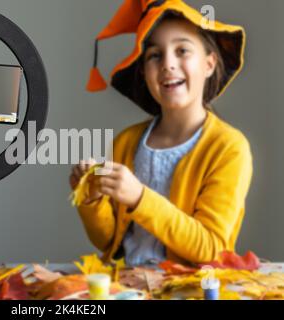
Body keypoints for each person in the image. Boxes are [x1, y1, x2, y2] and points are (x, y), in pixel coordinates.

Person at [70, 0, 253, 266]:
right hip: (127, 286)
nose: (168, 64)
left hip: (188, 290)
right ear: (144, 71)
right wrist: (92, 197)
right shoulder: (126, 142)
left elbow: (211, 248)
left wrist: (139, 198)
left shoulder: (228, 147)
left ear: (209, 64)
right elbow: (109, 241)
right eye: (155, 55)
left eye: (182, 50)